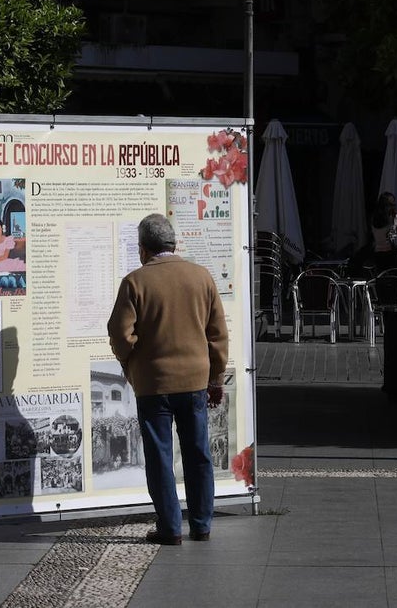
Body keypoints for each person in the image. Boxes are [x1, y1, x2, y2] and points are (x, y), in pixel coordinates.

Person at [107, 214, 229, 545]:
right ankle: (202, 524)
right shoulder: (200, 277)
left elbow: (120, 334)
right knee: (198, 454)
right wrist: (216, 377)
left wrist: (130, 361)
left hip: (153, 384)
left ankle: (170, 528)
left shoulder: (135, 282)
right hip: (194, 381)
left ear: (144, 249)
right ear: (174, 245)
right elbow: (217, 333)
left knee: (160, 456)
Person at [370, 192, 397, 272]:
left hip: (378, 256)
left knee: (382, 280)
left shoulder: (374, 219)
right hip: (393, 255)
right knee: (396, 280)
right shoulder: (396, 219)